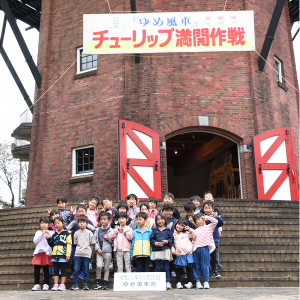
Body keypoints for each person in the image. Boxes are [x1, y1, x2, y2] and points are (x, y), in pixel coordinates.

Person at [67, 204, 95, 278]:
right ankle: (74, 272)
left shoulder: (88, 221)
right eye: (79, 211)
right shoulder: (74, 220)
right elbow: (67, 229)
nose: (81, 213)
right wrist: (73, 224)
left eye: (82, 211)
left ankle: (82, 273)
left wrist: (87, 224)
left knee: (83, 260)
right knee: (73, 259)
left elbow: (93, 229)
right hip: (75, 245)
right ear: (76, 213)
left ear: (86, 212)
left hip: (85, 245)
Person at [191, 213, 218, 289]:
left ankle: (206, 282)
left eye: (199, 219)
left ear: (203, 219)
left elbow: (215, 221)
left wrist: (207, 217)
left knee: (205, 265)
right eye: (196, 221)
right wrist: (192, 249)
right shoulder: (195, 230)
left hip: (205, 248)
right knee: (196, 265)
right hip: (196, 249)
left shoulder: (209, 227)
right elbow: (194, 240)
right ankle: (197, 282)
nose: (198, 222)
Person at [45, 216, 72, 291]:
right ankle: (56, 284)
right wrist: (48, 239)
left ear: (63, 223)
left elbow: (69, 244)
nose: (57, 225)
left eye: (58, 223)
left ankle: (62, 284)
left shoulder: (67, 233)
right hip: (54, 255)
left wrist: (68, 254)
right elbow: (51, 245)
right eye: (55, 224)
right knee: (55, 270)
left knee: (63, 270)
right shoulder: (54, 234)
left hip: (63, 255)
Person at [70, 215, 95, 291]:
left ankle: (86, 284)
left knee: (86, 270)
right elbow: (76, 243)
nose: (81, 224)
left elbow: (92, 244)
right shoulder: (76, 233)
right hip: (78, 254)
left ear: (87, 223)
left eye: (83, 222)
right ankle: (75, 284)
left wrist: (89, 252)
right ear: (77, 223)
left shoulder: (90, 233)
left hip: (86, 254)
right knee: (76, 269)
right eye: (80, 222)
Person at [150, 213, 174, 290]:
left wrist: (166, 242)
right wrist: (155, 243)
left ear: (165, 220)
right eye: (158, 219)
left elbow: (171, 239)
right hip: (157, 250)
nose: (160, 221)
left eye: (162, 219)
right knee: (157, 267)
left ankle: (167, 282)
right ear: (156, 221)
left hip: (165, 250)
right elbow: (151, 239)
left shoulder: (168, 229)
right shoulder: (154, 229)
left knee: (166, 267)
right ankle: (157, 282)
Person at [171, 219, 196, 289]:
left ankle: (190, 282)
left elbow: (194, 235)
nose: (179, 226)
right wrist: (173, 251)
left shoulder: (187, 233)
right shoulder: (174, 235)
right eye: (178, 224)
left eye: (182, 225)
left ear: (184, 227)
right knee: (178, 269)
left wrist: (189, 229)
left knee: (189, 269)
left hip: (188, 253)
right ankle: (178, 283)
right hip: (179, 254)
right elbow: (172, 245)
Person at [31, 217, 54, 291]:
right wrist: (41, 234)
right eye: (42, 223)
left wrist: (48, 236)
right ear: (39, 224)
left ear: (49, 225)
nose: (43, 225)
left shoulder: (52, 232)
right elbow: (35, 241)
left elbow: (52, 242)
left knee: (46, 269)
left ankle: (46, 284)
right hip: (38, 253)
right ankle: (37, 284)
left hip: (46, 253)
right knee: (36, 268)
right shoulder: (38, 232)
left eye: (45, 223)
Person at [201, 191, 223, 269]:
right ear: (203, 200)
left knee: (216, 250)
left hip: (215, 234)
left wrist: (219, 230)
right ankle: (209, 263)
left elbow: (220, 222)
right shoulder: (202, 213)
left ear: (213, 199)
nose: (208, 198)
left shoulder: (216, 210)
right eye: (206, 197)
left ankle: (217, 262)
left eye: (210, 197)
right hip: (206, 236)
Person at [92, 212, 113, 290]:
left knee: (107, 267)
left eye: (105, 219)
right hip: (99, 251)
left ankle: (105, 283)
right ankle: (98, 282)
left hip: (107, 251)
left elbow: (113, 241)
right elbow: (95, 240)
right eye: (101, 219)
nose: (103, 221)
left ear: (109, 220)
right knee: (99, 266)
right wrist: (97, 249)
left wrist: (109, 239)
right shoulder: (97, 230)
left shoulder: (111, 230)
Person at [203, 201, 224, 278]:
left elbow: (221, 223)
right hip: (205, 240)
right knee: (206, 256)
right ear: (203, 209)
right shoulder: (202, 217)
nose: (208, 210)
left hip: (214, 239)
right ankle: (207, 271)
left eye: (209, 208)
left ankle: (215, 271)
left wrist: (217, 217)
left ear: (213, 209)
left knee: (214, 256)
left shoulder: (215, 216)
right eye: (206, 208)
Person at [162, 203, 177, 278]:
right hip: (163, 241)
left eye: (169, 211)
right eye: (166, 210)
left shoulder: (175, 220)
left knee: (172, 256)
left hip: (172, 241)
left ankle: (173, 270)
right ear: (163, 211)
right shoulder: (161, 220)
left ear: (173, 211)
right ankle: (166, 270)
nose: (168, 212)